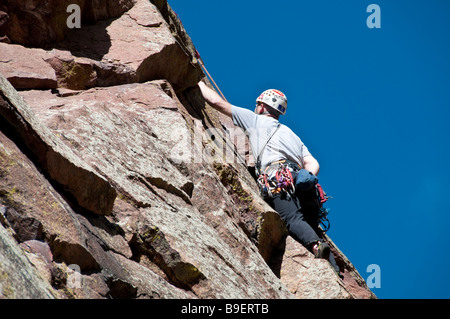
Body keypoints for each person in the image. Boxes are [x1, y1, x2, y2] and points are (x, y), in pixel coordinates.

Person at [198, 81, 339, 270]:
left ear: (262, 106)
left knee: (292, 219)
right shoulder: (292, 134)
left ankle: (316, 246)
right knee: (310, 225)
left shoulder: (255, 120)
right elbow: (313, 163)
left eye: (256, 105)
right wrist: (305, 178)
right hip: (302, 183)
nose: (254, 107)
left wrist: (197, 79)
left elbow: (216, 102)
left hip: (278, 179)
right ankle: (333, 269)